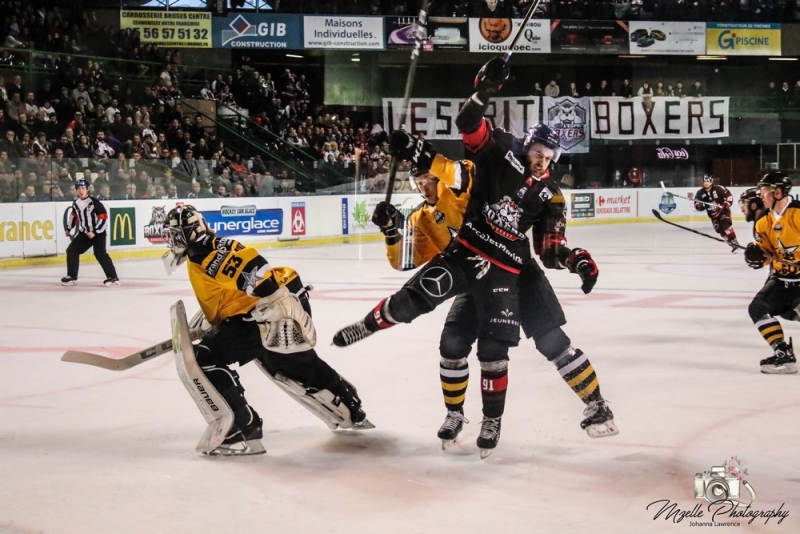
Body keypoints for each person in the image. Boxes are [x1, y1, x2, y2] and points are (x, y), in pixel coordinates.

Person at [334, 56, 608, 456]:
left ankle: (572, 406)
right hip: (468, 254)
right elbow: (463, 140)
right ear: (526, 145)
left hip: (510, 270)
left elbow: (549, 246)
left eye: (550, 157)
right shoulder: (498, 156)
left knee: (520, 345)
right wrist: (482, 91)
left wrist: (575, 258)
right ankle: (379, 331)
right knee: (439, 325)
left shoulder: (549, 194)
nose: (543, 160)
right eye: (538, 152)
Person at [371, 149, 616, 448]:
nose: (424, 187)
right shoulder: (427, 215)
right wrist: (391, 232)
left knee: (551, 340)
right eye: (418, 182)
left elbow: (548, 245)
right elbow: (405, 259)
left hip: (518, 272)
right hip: (476, 276)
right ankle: (456, 414)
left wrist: (572, 258)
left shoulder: (480, 191)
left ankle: (595, 404)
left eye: (429, 179)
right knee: (452, 343)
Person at [162, 205, 372, 455]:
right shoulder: (203, 249)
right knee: (289, 363)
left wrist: (275, 301)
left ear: (191, 232)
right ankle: (350, 405)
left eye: (176, 234)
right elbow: (231, 286)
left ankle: (240, 430)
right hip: (271, 303)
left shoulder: (203, 248)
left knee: (204, 358)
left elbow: (258, 271)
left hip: (270, 308)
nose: (172, 240)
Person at [743, 172, 799, 374]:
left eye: (764, 190)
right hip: (782, 280)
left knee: (790, 311)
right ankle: (783, 353)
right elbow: (766, 256)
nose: (761, 195)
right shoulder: (763, 222)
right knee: (757, 308)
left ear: (778, 192)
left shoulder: (798, 214)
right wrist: (755, 256)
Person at [61, 179, 119, 287]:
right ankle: (72, 275)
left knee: (100, 253)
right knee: (72, 250)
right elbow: (74, 216)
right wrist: (69, 228)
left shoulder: (94, 202)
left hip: (98, 232)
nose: (81, 190)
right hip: (85, 233)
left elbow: (103, 218)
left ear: (87, 189)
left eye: (83, 188)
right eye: (78, 188)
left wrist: (95, 231)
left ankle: (112, 276)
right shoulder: (76, 203)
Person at [694, 174, 740, 252]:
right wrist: (701, 205)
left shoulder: (719, 189)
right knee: (720, 231)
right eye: (705, 181)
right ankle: (732, 244)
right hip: (713, 215)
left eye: (708, 181)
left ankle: (735, 241)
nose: (706, 183)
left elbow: (729, 195)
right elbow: (697, 205)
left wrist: (727, 203)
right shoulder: (700, 193)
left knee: (725, 224)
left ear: (711, 182)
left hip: (723, 211)